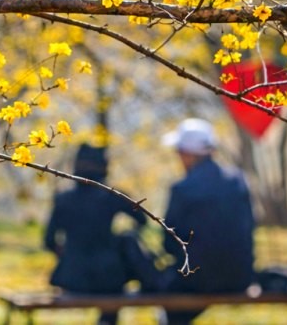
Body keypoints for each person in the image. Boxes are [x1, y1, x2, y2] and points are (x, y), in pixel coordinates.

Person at [159, 117, 256, 324]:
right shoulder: (238, 182)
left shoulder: (182, 189)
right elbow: (249, 228)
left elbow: (169, 243)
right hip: (240, 278)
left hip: (196, 280)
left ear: (187, 154)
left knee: (171, 306)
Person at [44, 144, 151, 324]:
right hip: (108, 280)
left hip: (72, 279)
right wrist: (121, 240)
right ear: (104, 167)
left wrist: (69, 254)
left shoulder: (63, 199)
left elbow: (48, 240)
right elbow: (142, 221)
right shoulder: (112, 196)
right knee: (113, 287)